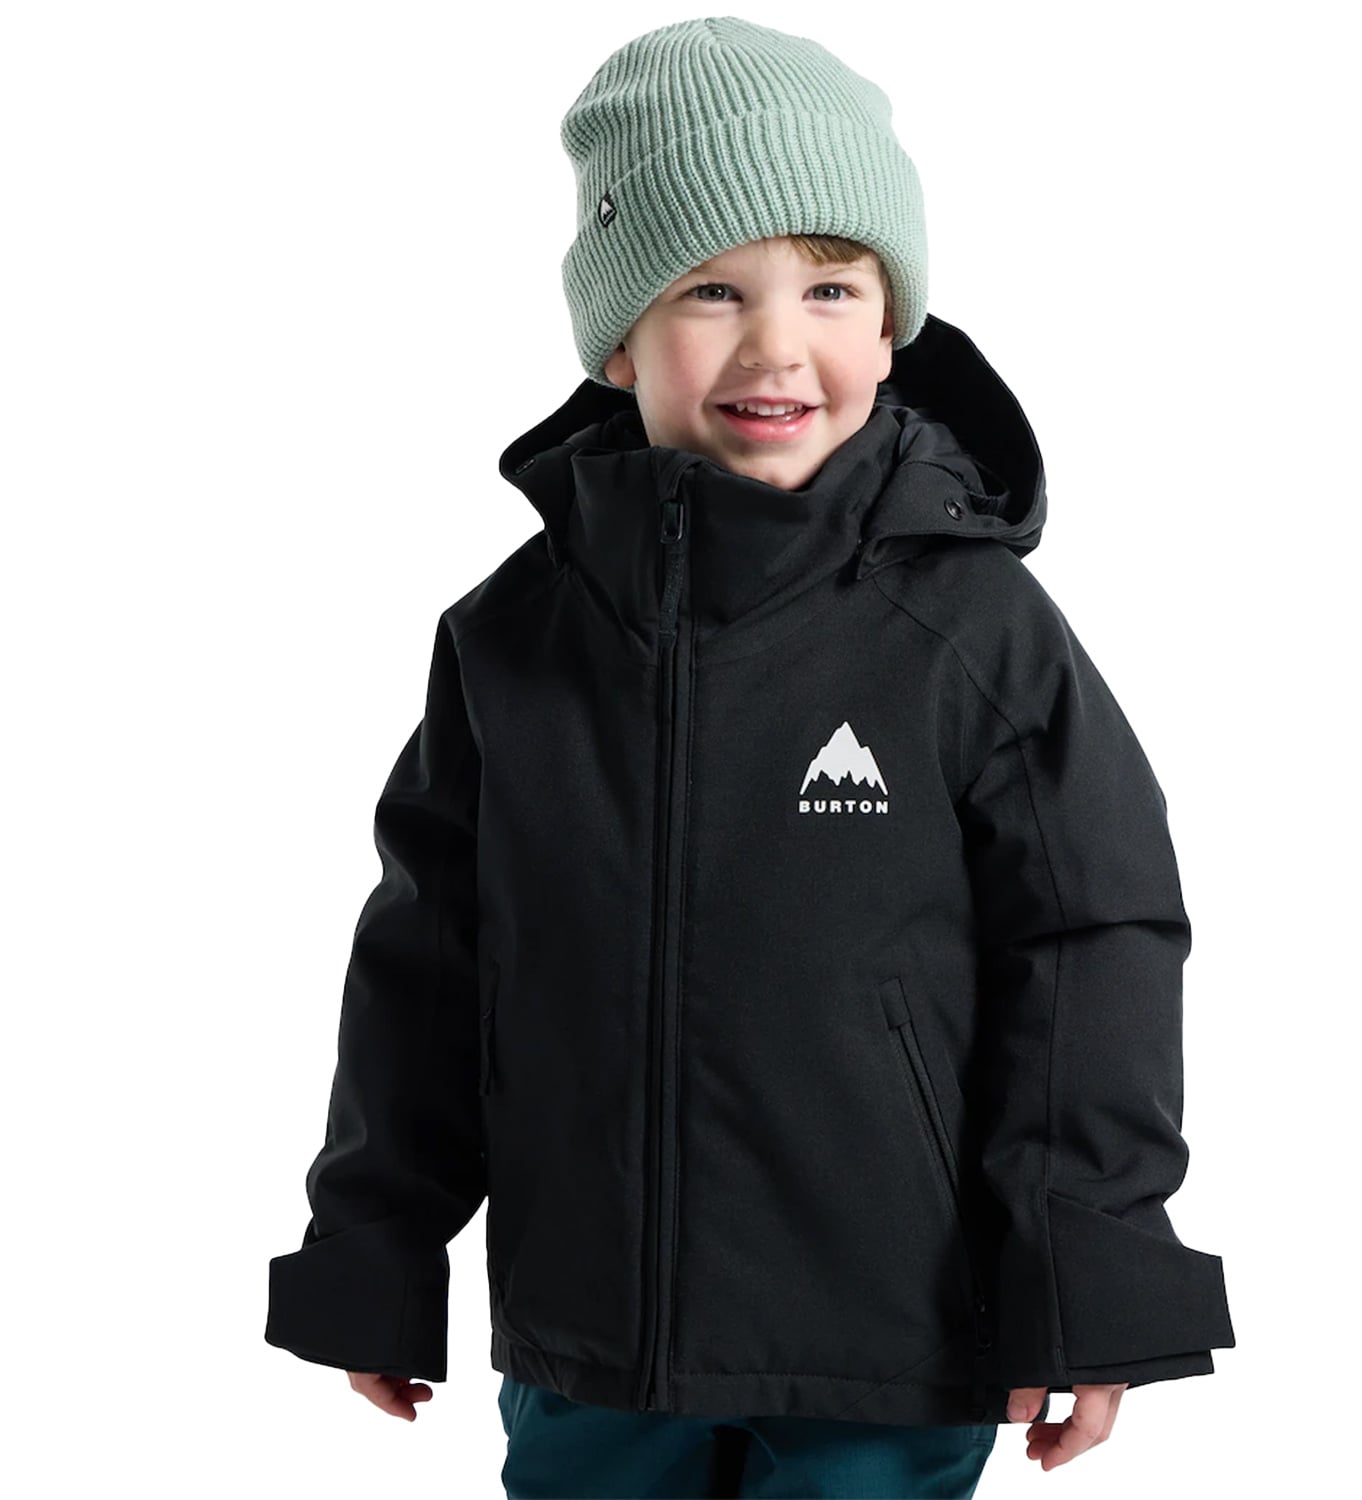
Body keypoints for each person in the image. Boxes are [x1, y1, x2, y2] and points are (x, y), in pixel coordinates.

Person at [265, 16, 1235, 1496]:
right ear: (617, 339)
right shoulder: (511, 642)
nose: (777, 344)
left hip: (886, 1346)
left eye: (831, 286)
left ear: (892, 327)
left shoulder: (969, 629)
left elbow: (1092, 940)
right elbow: (429, 964)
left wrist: (1086, 1271)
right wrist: (375, 1247)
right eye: (710, 289)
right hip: (592, 1346)